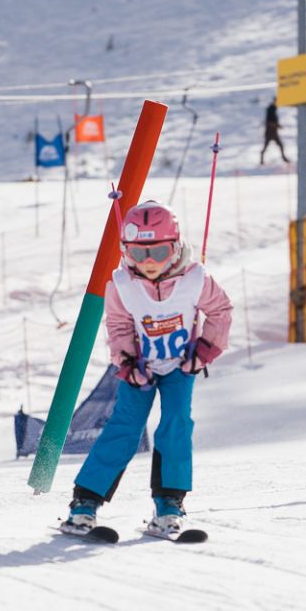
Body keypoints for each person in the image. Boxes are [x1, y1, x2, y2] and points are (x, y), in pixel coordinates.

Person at [60, 200, 232, 538]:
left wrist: (204, 351)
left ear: (176, 247)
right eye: (139, 254)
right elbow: (119, 325)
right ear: (126, 251)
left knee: (176, 425)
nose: (149, 262)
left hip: (180, 366)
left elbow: (220, 311)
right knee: (124, 429)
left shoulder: (195, 279)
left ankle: (169, 506)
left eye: (159, 252)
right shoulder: (122, 285)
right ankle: (84, 503)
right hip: (140, 369)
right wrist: (126, 362)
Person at [261, 100, 290, 165]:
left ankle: (283, 157)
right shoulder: (270, 109)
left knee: (280, 145)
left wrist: (277, 125)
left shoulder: (273, 109)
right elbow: (269, 122)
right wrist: (276, 125)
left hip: (274, 132)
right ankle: (261, 160)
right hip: (270, 132)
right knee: (266, 146)